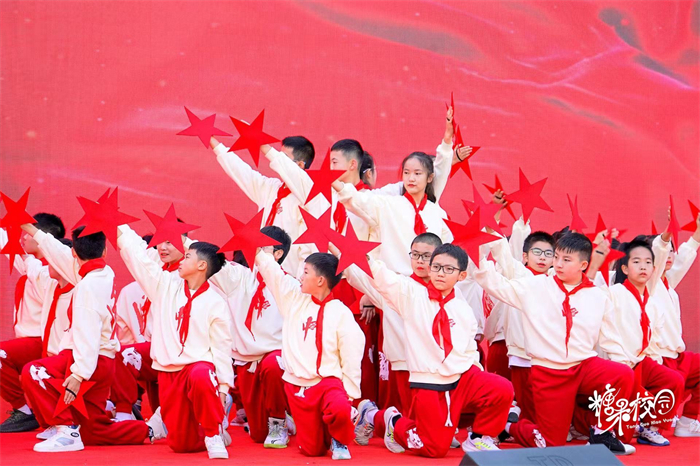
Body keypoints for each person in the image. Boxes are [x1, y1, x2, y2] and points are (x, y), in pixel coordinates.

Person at [474, 233, 637, 455]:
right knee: (551, 445)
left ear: (583, 265)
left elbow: (611, 338)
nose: (558, 264)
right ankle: (509, 426)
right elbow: (498, 286)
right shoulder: (536, 286)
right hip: (548, 371)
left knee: (622, 373)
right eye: (557, 257)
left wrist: (624, 363)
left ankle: (601, 434)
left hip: (583, 366)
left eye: (566, 260)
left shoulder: (598, 296)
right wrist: (479, 258)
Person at [355, 244, 513, 457]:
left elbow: (468, 348)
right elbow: (383, 277)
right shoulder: (412, 295)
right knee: (434, 449)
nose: (441, 273)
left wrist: (476, 378)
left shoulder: (462, 307)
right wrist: (358, 253)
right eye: (436, 267)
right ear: (429, 269)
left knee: (501, 388)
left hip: (463, 376)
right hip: (430, 382)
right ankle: (387, 419)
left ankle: (479, 438)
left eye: (449, 269)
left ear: (461, 275)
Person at [20, 224, 150, 452]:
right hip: (102, 361)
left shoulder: (86, 287)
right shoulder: (104, 273)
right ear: (104, 252)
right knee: (92, 431)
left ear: (74, 252)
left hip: (88, 360)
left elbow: (87, 334)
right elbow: (59, 253)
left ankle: (66, 430)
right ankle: (149, 430)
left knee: (34, 371)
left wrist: (78, 374)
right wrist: (31, 229)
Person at [117, 225, 234, 459]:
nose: (181, 260)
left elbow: (222, 348)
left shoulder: (216, 302)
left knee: (202, 374)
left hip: (198, 368)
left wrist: (223, 387)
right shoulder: (165, 286)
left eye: (187, 256)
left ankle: (213, 433)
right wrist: (120, 228)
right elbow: (140, 259)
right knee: (182, 445)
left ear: (202, 265)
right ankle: (212, 429)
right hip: (168, 371)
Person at [255, 250, 364, 459]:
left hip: (329, 382)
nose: (300, 276)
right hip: (298, 386)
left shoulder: (340, 312)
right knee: (312, 451)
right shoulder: (293, 299)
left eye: (305, 272)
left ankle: (340, 437)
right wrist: (259, 252)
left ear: (320, 280)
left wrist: (349, 396)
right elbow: (274, 274)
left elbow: (352, 353)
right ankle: (324, 432)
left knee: (340, 408)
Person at [593, 237, 684, 447]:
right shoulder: (613, 294)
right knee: (623, 436)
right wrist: (622, 363)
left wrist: (654, 363)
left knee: (673, 380)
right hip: (619, 365)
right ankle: (602, 428)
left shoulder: (653, 302)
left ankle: (650, 428)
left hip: (642, 362)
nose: (643, 267)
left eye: (648, 262)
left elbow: (654, 337)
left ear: (654, 269)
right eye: (636, 262)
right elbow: (606, 331)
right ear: (624, 268)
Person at [209, 226, 293, 448]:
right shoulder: (240, 277)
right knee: (258, 434)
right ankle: (280, 418)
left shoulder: (290, 284)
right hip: (246, 361)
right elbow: (212, 262)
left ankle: (279, 421)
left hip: (276, 357)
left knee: (273, 365)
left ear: (278, 254)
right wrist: (182, 242)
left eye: (261, 247)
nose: (254, 251)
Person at [212, 134, 317, 275]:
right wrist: (214, 143)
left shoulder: (309, 198)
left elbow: (308, 246)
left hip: (288, 274)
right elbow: (241, 171)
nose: (277, 161)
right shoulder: (271, 187)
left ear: (299, 165)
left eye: (283, 158)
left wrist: (300, 278)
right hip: (259, 268)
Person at [0, 214, 65, 432]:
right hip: (30, 342)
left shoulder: (49, 272)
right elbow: (9, 246)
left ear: (42, 238)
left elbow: (25, 260)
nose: (22, 238)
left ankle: (24, 411)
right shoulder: (35, 266)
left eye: (27, 233)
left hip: (43, 342)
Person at [650, 214, 700, 437]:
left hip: (676, 357)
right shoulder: (647, 285)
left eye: (673, 250)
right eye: (665, 250)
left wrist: (698, 233)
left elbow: (683, 260)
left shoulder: (668, 283)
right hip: (658, 358)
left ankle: (687, 422)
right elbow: (659, 250)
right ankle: (651, 424)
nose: (670, 255)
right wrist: (666, 235)